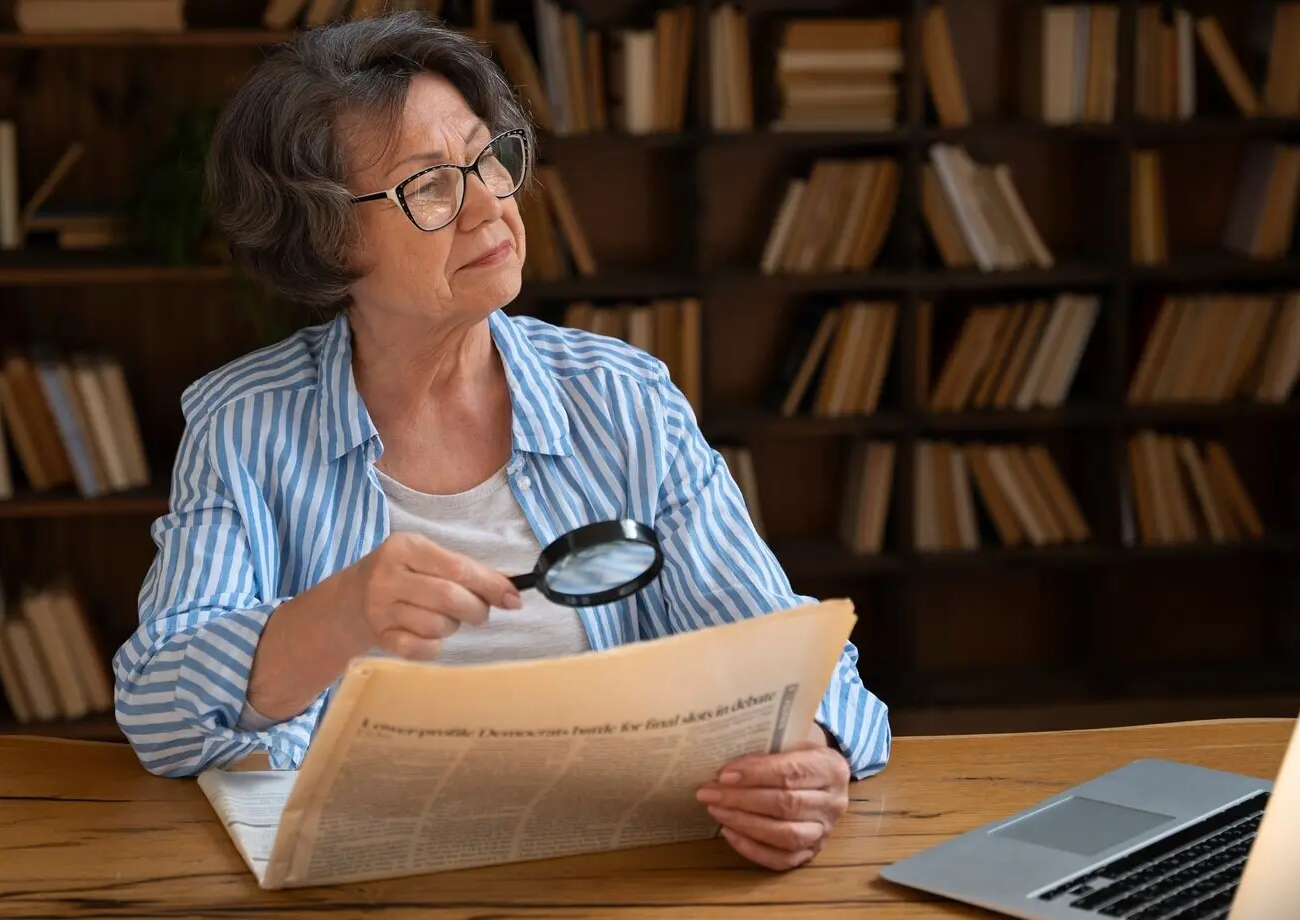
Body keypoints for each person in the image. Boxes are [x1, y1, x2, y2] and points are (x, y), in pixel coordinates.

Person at [111, 11, 890, 872]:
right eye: (432, 186)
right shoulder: (243, 423)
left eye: (489, 160)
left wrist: (815, 756)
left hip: (621, 870)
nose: (490, 205)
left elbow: (782, 646)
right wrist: (338, 616)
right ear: (325, 238)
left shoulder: (622, 399)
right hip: (360, 880)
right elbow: (156, 708)